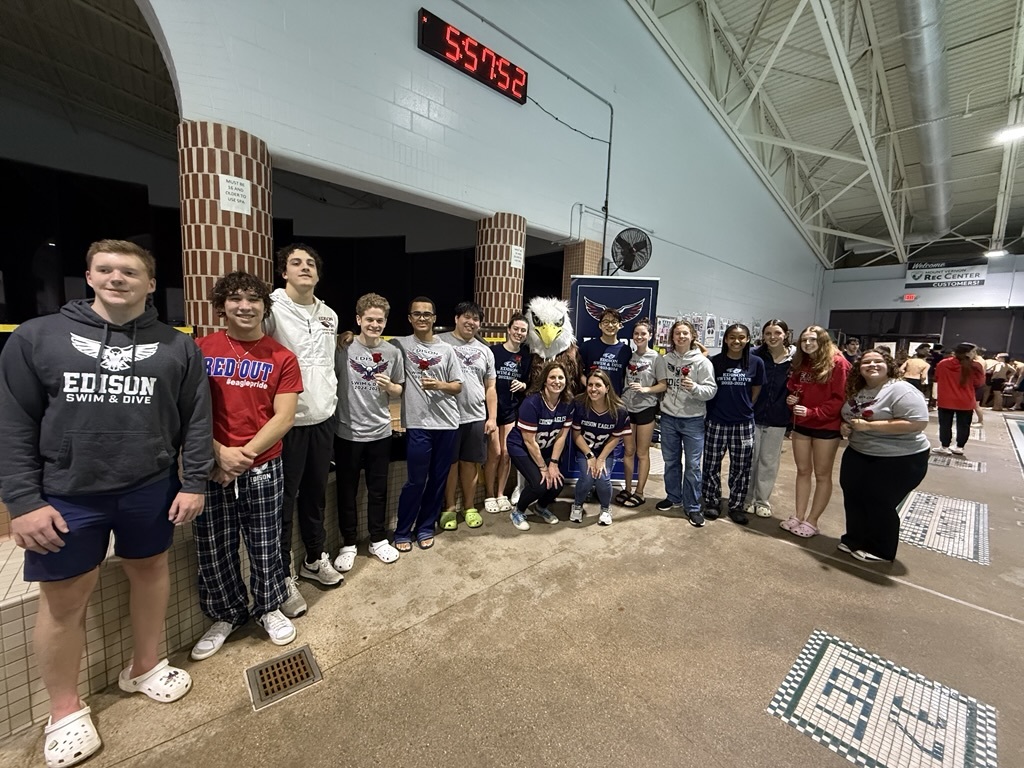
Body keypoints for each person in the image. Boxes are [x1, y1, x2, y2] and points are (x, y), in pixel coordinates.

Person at [0, 240, 212, 768]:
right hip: (68, 492)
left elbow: (196, 418)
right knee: (64, 598)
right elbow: (14, 423)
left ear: (149, 282)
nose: (117, 278)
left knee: (151, 569)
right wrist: (22, 500)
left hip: (149, 485)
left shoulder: (175, 345)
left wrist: (195, 482)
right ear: (89, 277)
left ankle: (144, 665)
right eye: (106, 270)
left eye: (130, 271)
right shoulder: (38, 338)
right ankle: (65, 711)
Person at [191, 272, 302, 659]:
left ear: (263, 308)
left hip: (262, 466)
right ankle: (226, 613)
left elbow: (284, 417)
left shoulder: (282, 357)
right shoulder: (200, 349)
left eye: (254, 299)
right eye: (236, 298)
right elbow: (186, 413)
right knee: (213, 546)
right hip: (210, 465)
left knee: (266, 542)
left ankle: (268, 607)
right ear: (222, 305)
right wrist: (219, 452)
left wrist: (239, 457)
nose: (245, 306)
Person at [265, 244, 343, 614]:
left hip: (322, 418)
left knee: (315, 495)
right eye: (296, 263)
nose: (304, 268)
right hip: (286, 423)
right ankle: (281, 577)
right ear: (284, 272)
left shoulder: (329, 314)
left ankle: (314, 558)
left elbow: (325, 364)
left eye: (311, 263)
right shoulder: (271, 309)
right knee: (283, 503)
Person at [334, 293, 405, 573]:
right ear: (358, 320)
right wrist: (342, 335)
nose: (375, 324)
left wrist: (391, 388)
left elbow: (401, 388)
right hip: (346, 432)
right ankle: (348, 543)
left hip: (380, 432)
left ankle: (377, 539)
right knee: (346, 491)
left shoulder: (392, 353)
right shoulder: (343, 347)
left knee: (378, 491)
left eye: (380, 320)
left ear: (386, 321)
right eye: (369, 319)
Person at [839, 348, 930, 562]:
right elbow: (852, 415)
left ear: (889, 365)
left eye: (877, 361)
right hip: (859, 452)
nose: (872, 365)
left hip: (899, 457)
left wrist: (872, 427)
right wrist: (846, 426)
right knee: (853, 495)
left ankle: (881, 549)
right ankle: (855, 538)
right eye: (866, 363)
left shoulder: (901, 390)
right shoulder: (859, 389)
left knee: (879, 500)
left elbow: (917, 423)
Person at [390, 297, 462, 551]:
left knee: (437, 480)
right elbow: (372, 345)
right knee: (416, 480)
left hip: (447, 423)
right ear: (410, 318)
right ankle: (402, 530)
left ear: (434, 318)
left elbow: (457, 386)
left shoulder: (446, 350)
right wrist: (347, 337)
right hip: (418, 423)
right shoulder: (399, 344)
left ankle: (425, 527)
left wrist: (439, 385)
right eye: (417, 314)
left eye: (427, 314)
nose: (422, 318)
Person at [780, 326, 850, 539]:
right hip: (802, 424)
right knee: (802, 470)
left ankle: (813, 520)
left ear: (823, 340)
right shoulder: (802, 363)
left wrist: (813, 412)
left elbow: (839, 398)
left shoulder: (838, 363)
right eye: (804, 340)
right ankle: (799, 515)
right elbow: (795, 389)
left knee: (822, 474)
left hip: (825, 426)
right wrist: (792, 402)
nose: (808, 344)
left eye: (812, 340)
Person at [438, 301, 497, 531]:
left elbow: (490, 388)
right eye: (467, 317)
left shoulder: (485, 350)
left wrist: (491, 418)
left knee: (470, 464)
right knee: (450, 464)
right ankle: (449, 508)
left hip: (475, 417)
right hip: (447, 417)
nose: (471, 322)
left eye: (476, 319)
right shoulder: (441, 343)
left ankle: (469, 507)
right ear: (456, 318)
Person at [655, 320, 717, 526]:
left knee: (693, 466)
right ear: (672, 337)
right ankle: (673, 497)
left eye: (685, 333)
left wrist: (695, 388)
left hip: (693, 420)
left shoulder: (702, 363)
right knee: (671, 462)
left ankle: (692, 506)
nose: (681, 337)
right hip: (668, 418)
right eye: (677, 334)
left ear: (692, 337)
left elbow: (711, 391)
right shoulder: (665, 360)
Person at [701, 323, 764, 525]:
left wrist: (745, 407)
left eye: (741, 337)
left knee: (741, 467)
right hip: (716, 421)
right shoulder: (714, 362)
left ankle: (736, 506)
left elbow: (756, 390)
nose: (736, 341)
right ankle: (712, 502)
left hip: (743, 424)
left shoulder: (756, 363)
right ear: (725, 339)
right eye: (732, 337)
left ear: (747, 340)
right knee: (711, 466)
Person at [505, 361, 573, 531]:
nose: (557, 381)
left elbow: (561, 436)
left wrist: (553, 463)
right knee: (539, 484)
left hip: (546, 447)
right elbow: (529, 441)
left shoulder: (568, 403)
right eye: (552, 377)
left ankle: (540, 507)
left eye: (560, 377)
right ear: (545, 381)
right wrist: (543, 467)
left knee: (557, 482)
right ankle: (518, 511)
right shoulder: (532, 403)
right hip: (521, 446)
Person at [570, 370, 632, 525]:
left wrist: (601, 458)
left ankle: (605, 508)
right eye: (590, 385)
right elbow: (576, 435)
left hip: (606, 450)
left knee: (603, 478)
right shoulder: (580, 404)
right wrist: (590, 456)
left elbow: (615, 437)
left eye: (598, 385)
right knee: (587, 477)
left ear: (607, 388)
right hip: (585, 449)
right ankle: (577, 505)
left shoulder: (619, 409)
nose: (593, 389)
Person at [484, 314, 531, 514]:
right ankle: (488, 494)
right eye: (516, 329)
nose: (519, 333)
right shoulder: (493, 352)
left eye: (523, 330)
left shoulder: (527, 356)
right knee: (494, 453)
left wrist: (523, 385)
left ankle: (501, 493)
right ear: (508, 329)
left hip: (512, 410)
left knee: (506, 453)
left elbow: (530, 382)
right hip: (493, 410)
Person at [618, 318, 668, 507]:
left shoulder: (656, 358)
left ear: (650, 336)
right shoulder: (629, 356)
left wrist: (646, 389)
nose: (639, 336)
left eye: (643, 334)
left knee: (642, 452)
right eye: (636, 334)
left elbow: (663, 384)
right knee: (628, 450)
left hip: (646, 408)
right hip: (627, 407)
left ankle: (640, 492)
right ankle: (628, 489)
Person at [746, 319, 793, 519]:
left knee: (769, 461)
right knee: (750, 460)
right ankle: (746, 499)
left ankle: (762, 501)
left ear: (785, 334)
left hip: (778, 417)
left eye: (777, 333)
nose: (772, 337)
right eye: (768, 333)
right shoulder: (754, 356)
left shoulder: (794, 360)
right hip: (752, 416)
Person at [933, 342, 985, 455]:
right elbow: (979, 383)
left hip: (946, 400)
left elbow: (937, 377)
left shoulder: (943, 363)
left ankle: (944, 447)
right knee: (963, 425)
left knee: (945, 425)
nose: (975, 354)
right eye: (974, 351)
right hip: (965, 401)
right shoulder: (975, 366)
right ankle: (959, 447)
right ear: (967, 353)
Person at [579, 308, 633, 394]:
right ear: (600, 325)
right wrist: (590, 386)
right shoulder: (587, 346)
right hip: (592, 397)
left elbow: (627, 376)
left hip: (615, 399)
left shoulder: (626, 350)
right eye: (606, 322)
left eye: (614, 322)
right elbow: (578, 371)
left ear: (620, 325)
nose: (610, 325)